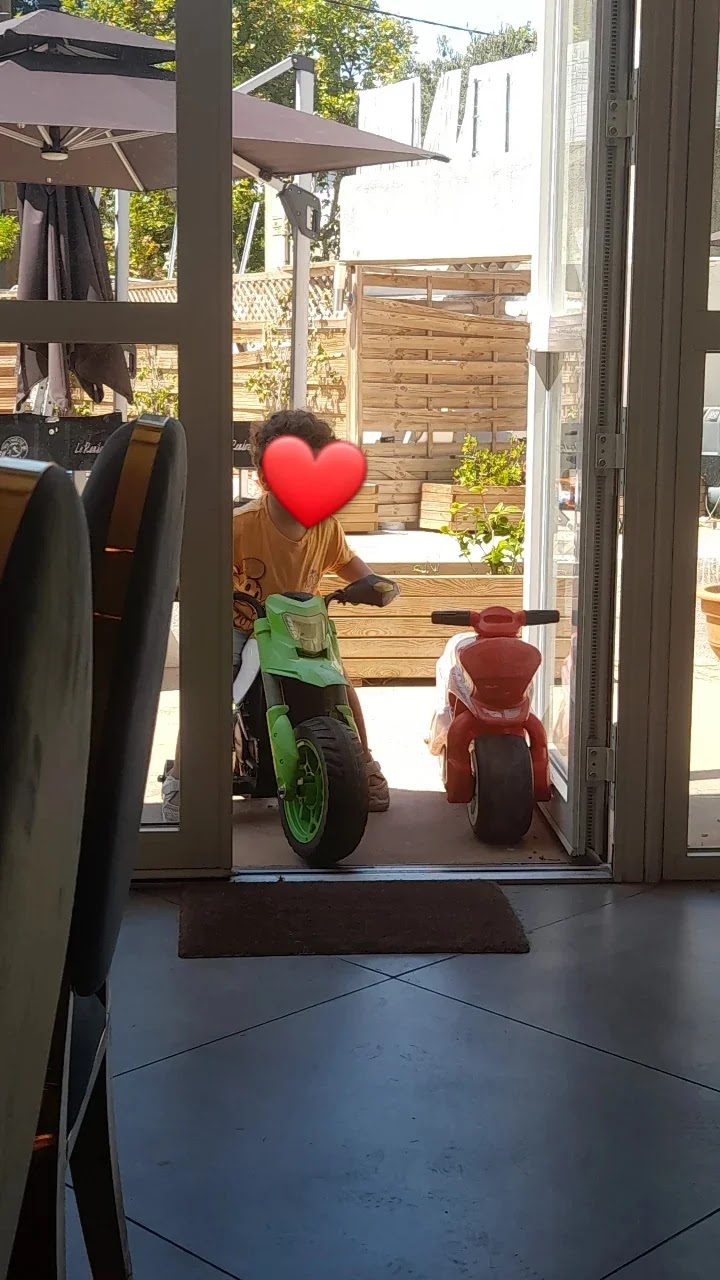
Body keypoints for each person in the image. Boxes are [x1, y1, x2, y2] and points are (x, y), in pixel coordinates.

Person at [161, 409, 391, 822]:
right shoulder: (239, 525)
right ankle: (182, 776)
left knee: (340, 687)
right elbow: (195, 568)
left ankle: (364, 763)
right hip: (243, 625)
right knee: (212, 691)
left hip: (298, 628)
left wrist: (374, 585)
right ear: (264, 477)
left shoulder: (325, 527)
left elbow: (353, 568)